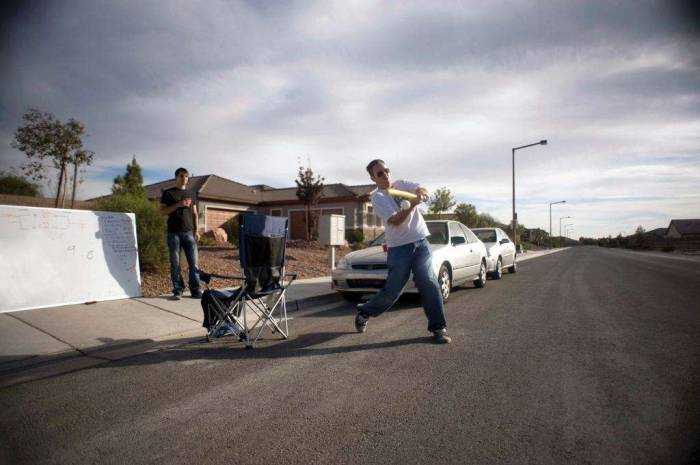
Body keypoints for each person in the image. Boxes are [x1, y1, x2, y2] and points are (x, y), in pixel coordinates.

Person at [355, 159, 451, 344]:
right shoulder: (378, 198)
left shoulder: (401, 184)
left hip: (421, 241)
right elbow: (396, 220)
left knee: (429, 282)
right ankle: (365, 311)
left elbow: (421, 189)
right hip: (399, 247)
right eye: (380, 173)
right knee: (393, 290)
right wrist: (413, 204)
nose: (386, 175)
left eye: (387, 170)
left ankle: (438, 327)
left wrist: (422, 193)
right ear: (373, 178)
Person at [160, 167, 202, 299]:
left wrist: (197, 230)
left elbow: (195, 214)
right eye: (181, 176)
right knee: (175, 263)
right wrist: (178, 204)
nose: (184, 178)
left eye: (186, 176)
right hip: (173, 233)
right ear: (176, 177)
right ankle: (178, 289)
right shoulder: (168, 193)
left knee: (194, 263)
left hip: (189, 233)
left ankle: (195, 289)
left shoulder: (191, 193)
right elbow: (162, 212)